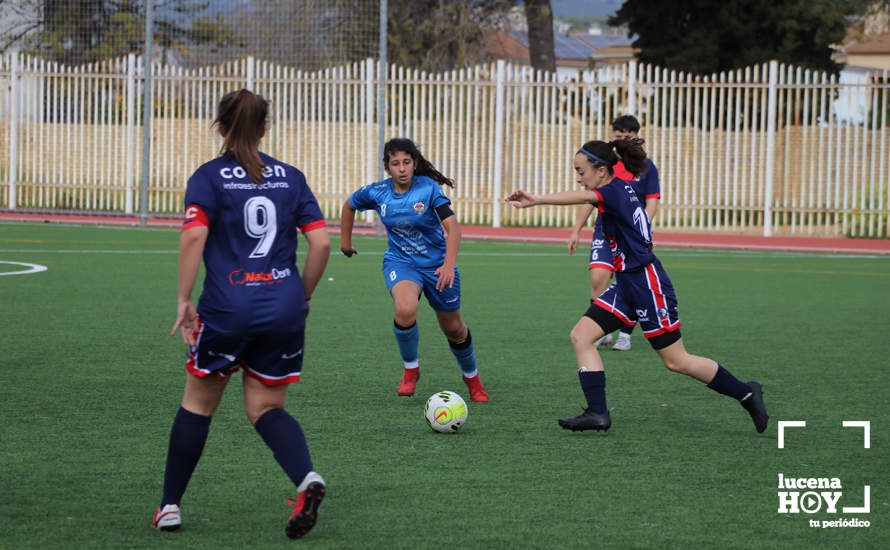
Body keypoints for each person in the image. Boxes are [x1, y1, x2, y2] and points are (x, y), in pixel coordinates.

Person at [153, 89, 331, 539]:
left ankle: (170, 506)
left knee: (198, 403)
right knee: (266, 406)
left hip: (228, 307)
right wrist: (301, 295)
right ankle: (306, 478)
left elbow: (194, 237)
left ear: (220, 127)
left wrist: (182, 298)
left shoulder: (210, 177)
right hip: (284, 306)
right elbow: (322, 243)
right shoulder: (290, 177)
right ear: (266, 128)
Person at [505, 138, 768, 434]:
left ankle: (746, 393)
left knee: (676, 361)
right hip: (627, 283)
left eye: (581, 171)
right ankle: (598, 413)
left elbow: (582, 199)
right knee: (581, 336)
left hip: (647, 283)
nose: (578, 178)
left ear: (601, 171)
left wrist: (537, 199)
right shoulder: (617, 188)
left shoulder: (613, 191)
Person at [340, 138, 489, 402]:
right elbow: (349, 204)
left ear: (414, 163)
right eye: (395, 163)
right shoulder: (377, 192)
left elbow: (453, 229)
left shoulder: (429, 190)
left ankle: (472, 379)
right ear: (387, 167)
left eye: (406, 162)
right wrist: (345, 243)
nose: (402, 168)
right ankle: (411, 371)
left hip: (437, 266)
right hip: (401, 262)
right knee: (405, 309)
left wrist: (448, 265)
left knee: (454, 328)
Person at [567, 115, 660, 352]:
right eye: (618, 136)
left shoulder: (646, 168)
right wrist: (576, 229)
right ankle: (600, 329)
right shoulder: (605, 167)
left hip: (631, 235)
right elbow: (590, 197)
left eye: (626, 137)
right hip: (605, 230)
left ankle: (625, 335)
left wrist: (642, 228)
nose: (621, 140)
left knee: (630, 283)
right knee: (599, 278)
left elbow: (651, 201)